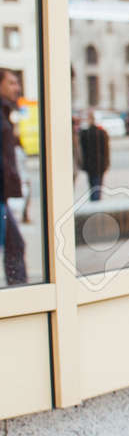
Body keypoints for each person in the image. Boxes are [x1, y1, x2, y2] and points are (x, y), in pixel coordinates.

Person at [0, 68, 26, 284]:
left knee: (14, 245)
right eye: (11, 83)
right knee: (14, 245)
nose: (17, 87)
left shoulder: (6, 112)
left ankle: (20, 294)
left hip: (3, 196)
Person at [78, 115, 111, 201]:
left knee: (93, 187)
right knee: (97, 187)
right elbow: (106, 150)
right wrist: (106, 164)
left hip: (92, 166)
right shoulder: (102, 133)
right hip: (99, 166)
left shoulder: (86, 134)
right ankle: (96, 204)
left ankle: (95, 204)